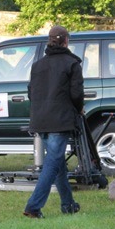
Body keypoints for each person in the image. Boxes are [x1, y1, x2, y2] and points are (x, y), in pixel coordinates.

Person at [23, 25, 84, 218]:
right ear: (66, 41)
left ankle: (68, 204)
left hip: (41, 120)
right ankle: (33, 206)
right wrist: (79, 108)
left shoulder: (37, 65)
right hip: (60, 120)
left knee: (57, 164)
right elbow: (76, 94)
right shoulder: (72, 64)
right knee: (52, 163)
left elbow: (31, 92)